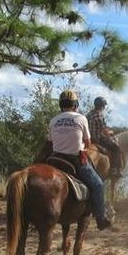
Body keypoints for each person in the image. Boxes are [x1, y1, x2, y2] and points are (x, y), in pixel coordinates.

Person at [48, 89, 112, 230]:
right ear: (75, 104)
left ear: (61, 105)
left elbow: (51, 143)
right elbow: (88, 143)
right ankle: (101, 218)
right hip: (75, 160)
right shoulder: (81, 118)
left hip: (55, 159)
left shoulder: (53, 120)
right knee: (98, 185)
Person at [86, 96, 123, 176]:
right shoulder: (99, 115)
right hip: (98, 139)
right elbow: (104, 130)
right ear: (102, 106)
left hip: (88, 139)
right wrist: (111, 133)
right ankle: (113, 169)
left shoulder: (88, 114)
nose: (104, 108)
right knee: (116, 148)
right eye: (104, 106)